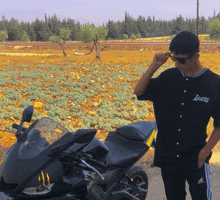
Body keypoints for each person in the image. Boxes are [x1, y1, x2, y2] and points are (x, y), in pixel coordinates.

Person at [134, 31, 220, 200]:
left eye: (181, 59)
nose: (176, 63)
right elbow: (139, 91)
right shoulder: (168, 77)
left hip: (196, 157)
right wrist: (154, 65)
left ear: (196, 56)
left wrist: (205, 151)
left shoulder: (214, 84)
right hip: (169, 157)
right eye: (174, 58)